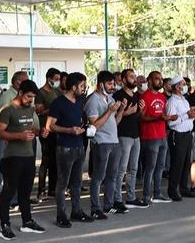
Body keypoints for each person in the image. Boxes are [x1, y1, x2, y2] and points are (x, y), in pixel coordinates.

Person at [0, 79, 47, 240]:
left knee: (26, 192)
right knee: (8, 192)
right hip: (12, 158)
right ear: (20, 92)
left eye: (33, 97)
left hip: (28, 156)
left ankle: (27, 222)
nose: (30, 100)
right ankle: (5, 225)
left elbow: (30, 129)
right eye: (28, 96)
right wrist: (19, 136)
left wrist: (40, 132)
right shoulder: (7, 110)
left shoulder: (30, 109)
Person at [46, 72, 93, 228]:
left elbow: (81, 119)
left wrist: (84, 128)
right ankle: (61, 215)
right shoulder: (58, 103)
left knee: (77, 182)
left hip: (79, 145)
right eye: (82, 86)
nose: (84, 88)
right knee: (62, 183)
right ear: (73, 87)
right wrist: (68, 130)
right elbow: (50, 126)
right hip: (64, 147)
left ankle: (76, 211)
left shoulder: (80, 101)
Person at [85, 71, 127, 219]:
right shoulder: (93, 101)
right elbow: (94, 126)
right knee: (98, 177)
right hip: (101, 142)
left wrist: (121, 110)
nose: (112, 86)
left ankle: (109, 205)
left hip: (114, 141)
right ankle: (95, 209)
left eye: (113, 84)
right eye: (109, 84)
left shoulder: (110, 98)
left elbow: (115, 122)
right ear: (100, 84)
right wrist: (110, 111)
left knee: (112, 176)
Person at [166, 76, 195, 201]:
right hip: (178, 134)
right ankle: (172, 190)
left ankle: (183, 188)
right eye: (183, 84)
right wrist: (187, 116)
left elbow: (190, 115)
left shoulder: (184, 100)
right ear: (176, 86)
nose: (185, 86)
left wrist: (193, 115)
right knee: (177, 163)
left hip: (187, 133)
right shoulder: (172, 101)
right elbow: (171, 122)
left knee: (186, 163)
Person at [139, 71, 173, 204]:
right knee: (150, 168)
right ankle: (147, 196)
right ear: (150, 81)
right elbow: (141, 117)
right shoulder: (144, 96)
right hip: (150, 137)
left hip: (162, 135)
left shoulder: (162, 97)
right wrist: (158, 118)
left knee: (160, 167)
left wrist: (168, 117)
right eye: (157, 79)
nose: (160, 81)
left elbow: (162, 114)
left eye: (161, 79)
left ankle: (157, 193)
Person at [113, 68, 145, 208]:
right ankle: (117, 199)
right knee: (121, 169)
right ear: (124, 80)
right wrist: (127, 111)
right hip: (123, 135)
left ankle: (131, 197)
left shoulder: (136, 95)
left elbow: (136, 116)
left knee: (133, 168)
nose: (134, 79)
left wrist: (140, 111)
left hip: (135, 135)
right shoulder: (118, 95)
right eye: (131, 77)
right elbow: (114, 117)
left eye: (135, 76)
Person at [36, 68, 62, 201]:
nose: (58, 81)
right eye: (56, 79)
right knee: (46, 160)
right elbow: (39, 111)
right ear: (49, 79)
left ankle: (52, 189)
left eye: (59, 79)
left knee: (55, 161)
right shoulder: (40, 93)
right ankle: (41, 190)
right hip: (45, 130)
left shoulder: (56, 92)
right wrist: (52, 109)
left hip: (55, 130)